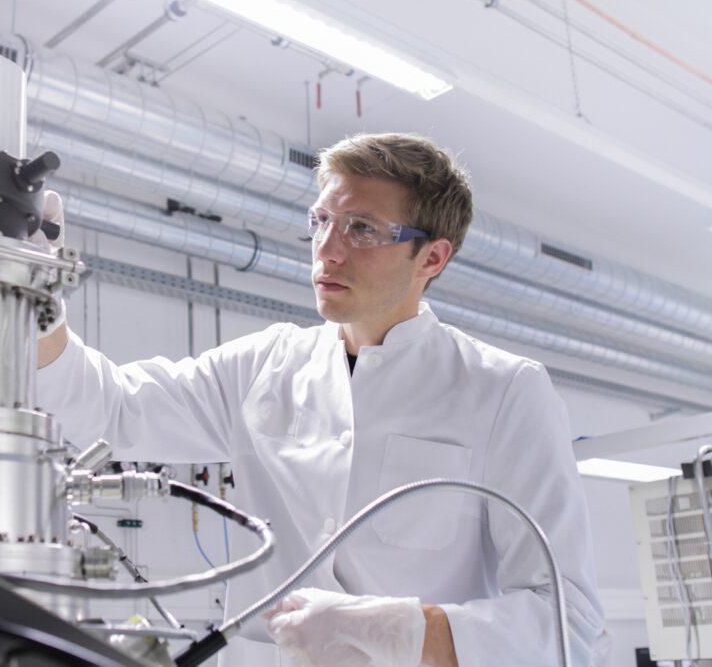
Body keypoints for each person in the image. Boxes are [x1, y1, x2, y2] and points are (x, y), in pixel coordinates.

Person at [36, 133, 606, 666]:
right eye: (321, 221)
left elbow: (569, 622)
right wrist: (37, 300)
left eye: (361, 229)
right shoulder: (264, 366)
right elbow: (111, 409)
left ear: (432, 259)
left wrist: (407, 630)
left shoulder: (504, 390)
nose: (327, 251)